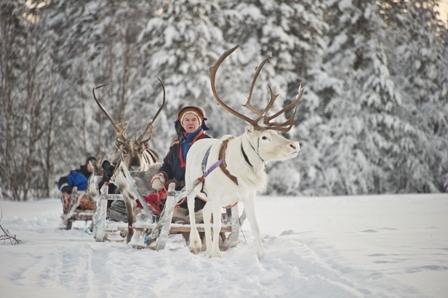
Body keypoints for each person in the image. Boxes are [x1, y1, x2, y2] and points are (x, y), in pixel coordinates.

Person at [141, 106, 211, 218]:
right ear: (182, 123)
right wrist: (161, 176)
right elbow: (167, 165)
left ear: (200, 122)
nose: (190, 123)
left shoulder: (208, 143)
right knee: (151, 206)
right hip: (177, 192)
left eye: (194, 120)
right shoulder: (176, 144)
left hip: (201, 194)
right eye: (187, 120)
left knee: (176, 212)